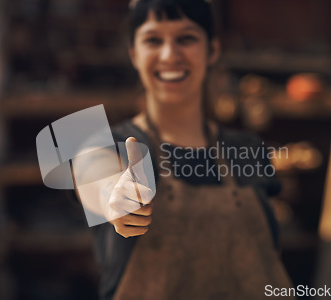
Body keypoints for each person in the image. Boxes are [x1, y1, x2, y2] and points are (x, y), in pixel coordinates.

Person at [73, 0, 295, 299]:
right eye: (153, 40)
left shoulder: (249, 149)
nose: (169, 55)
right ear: (134, 55)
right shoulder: (110, 146)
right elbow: (93, 172)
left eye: (186, 38)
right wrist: (114, 198)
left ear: (212, 50)